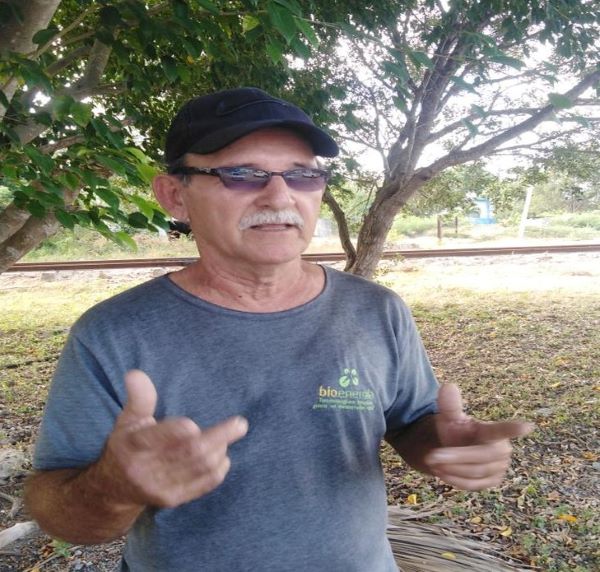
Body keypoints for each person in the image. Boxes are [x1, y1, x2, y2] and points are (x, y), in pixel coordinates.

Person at [25, 87, 533, 572]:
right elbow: (58, 510)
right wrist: (116, 485)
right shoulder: (112, 334)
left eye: (302, 175)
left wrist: (443, 443)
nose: (279, 194)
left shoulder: (376, 311)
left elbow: (410, 421)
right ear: (175, 196)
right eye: (243, 174)